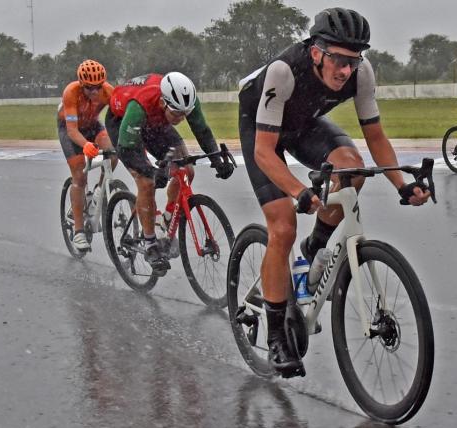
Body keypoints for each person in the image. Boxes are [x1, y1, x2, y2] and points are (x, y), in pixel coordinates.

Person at [236, 8, 432, 378]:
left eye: (353, 60)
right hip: (261, 130)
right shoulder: (283, 72)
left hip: (303, 124)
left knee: (351, 169)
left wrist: (403, 185)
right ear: (316, 53)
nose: (346, 70)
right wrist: (298, 192)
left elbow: (375, 136)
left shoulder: (361, 74)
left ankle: (314, 249)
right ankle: (277, 335)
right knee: (282, 226)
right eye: (339, 60)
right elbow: (264, 152)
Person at [106, 71, 234, 272]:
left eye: (185, 114)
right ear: (163, 103)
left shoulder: (185, 102)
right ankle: (150, 244)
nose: (182, 119)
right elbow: (126, 148)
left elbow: (202, 131)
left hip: (156, 123)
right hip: (123, 125)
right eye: (177, 114)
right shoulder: (140, 105)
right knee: (146, 182)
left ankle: (165, 219)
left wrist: (217, 160)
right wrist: (152, 170)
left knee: (186, 170)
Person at [58, 59, 116, 251]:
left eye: (97, 87)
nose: (94, 92)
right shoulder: (71, 93)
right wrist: (86, 146)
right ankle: (78, 231)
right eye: (89, 88)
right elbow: (73, 131)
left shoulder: (108, 92)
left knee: (113, 151)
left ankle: (100, 190)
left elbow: (119, 118)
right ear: (82, 85)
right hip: (71, 130)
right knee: (80, 175)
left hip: (92, 125)